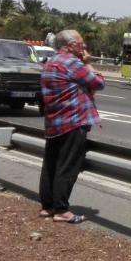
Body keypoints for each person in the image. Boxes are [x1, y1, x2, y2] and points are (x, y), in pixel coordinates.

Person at [39, 30, 105, 224]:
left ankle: (47, 206)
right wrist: (88, 62)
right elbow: (98, 82)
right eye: (80, 44)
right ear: (69, 45)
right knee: (67, 167)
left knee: (50, 166)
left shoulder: (51, 62)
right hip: (73, 121)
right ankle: (61, 210)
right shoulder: (72, 63)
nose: (83, 47)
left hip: (54, 122)